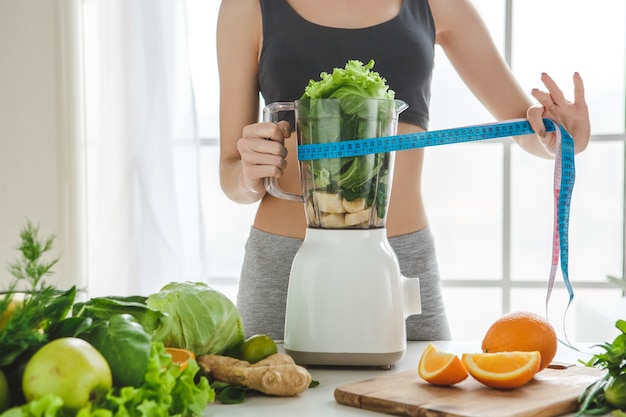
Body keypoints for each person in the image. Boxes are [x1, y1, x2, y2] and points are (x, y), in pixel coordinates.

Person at [216, 0, 591, 341]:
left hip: (400, 258)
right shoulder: (246, 7)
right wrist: (250, 175)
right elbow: (231, 175)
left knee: (421, 401)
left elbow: (525, 129)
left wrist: (561, 138)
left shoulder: (437, 4)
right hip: (284, 260)